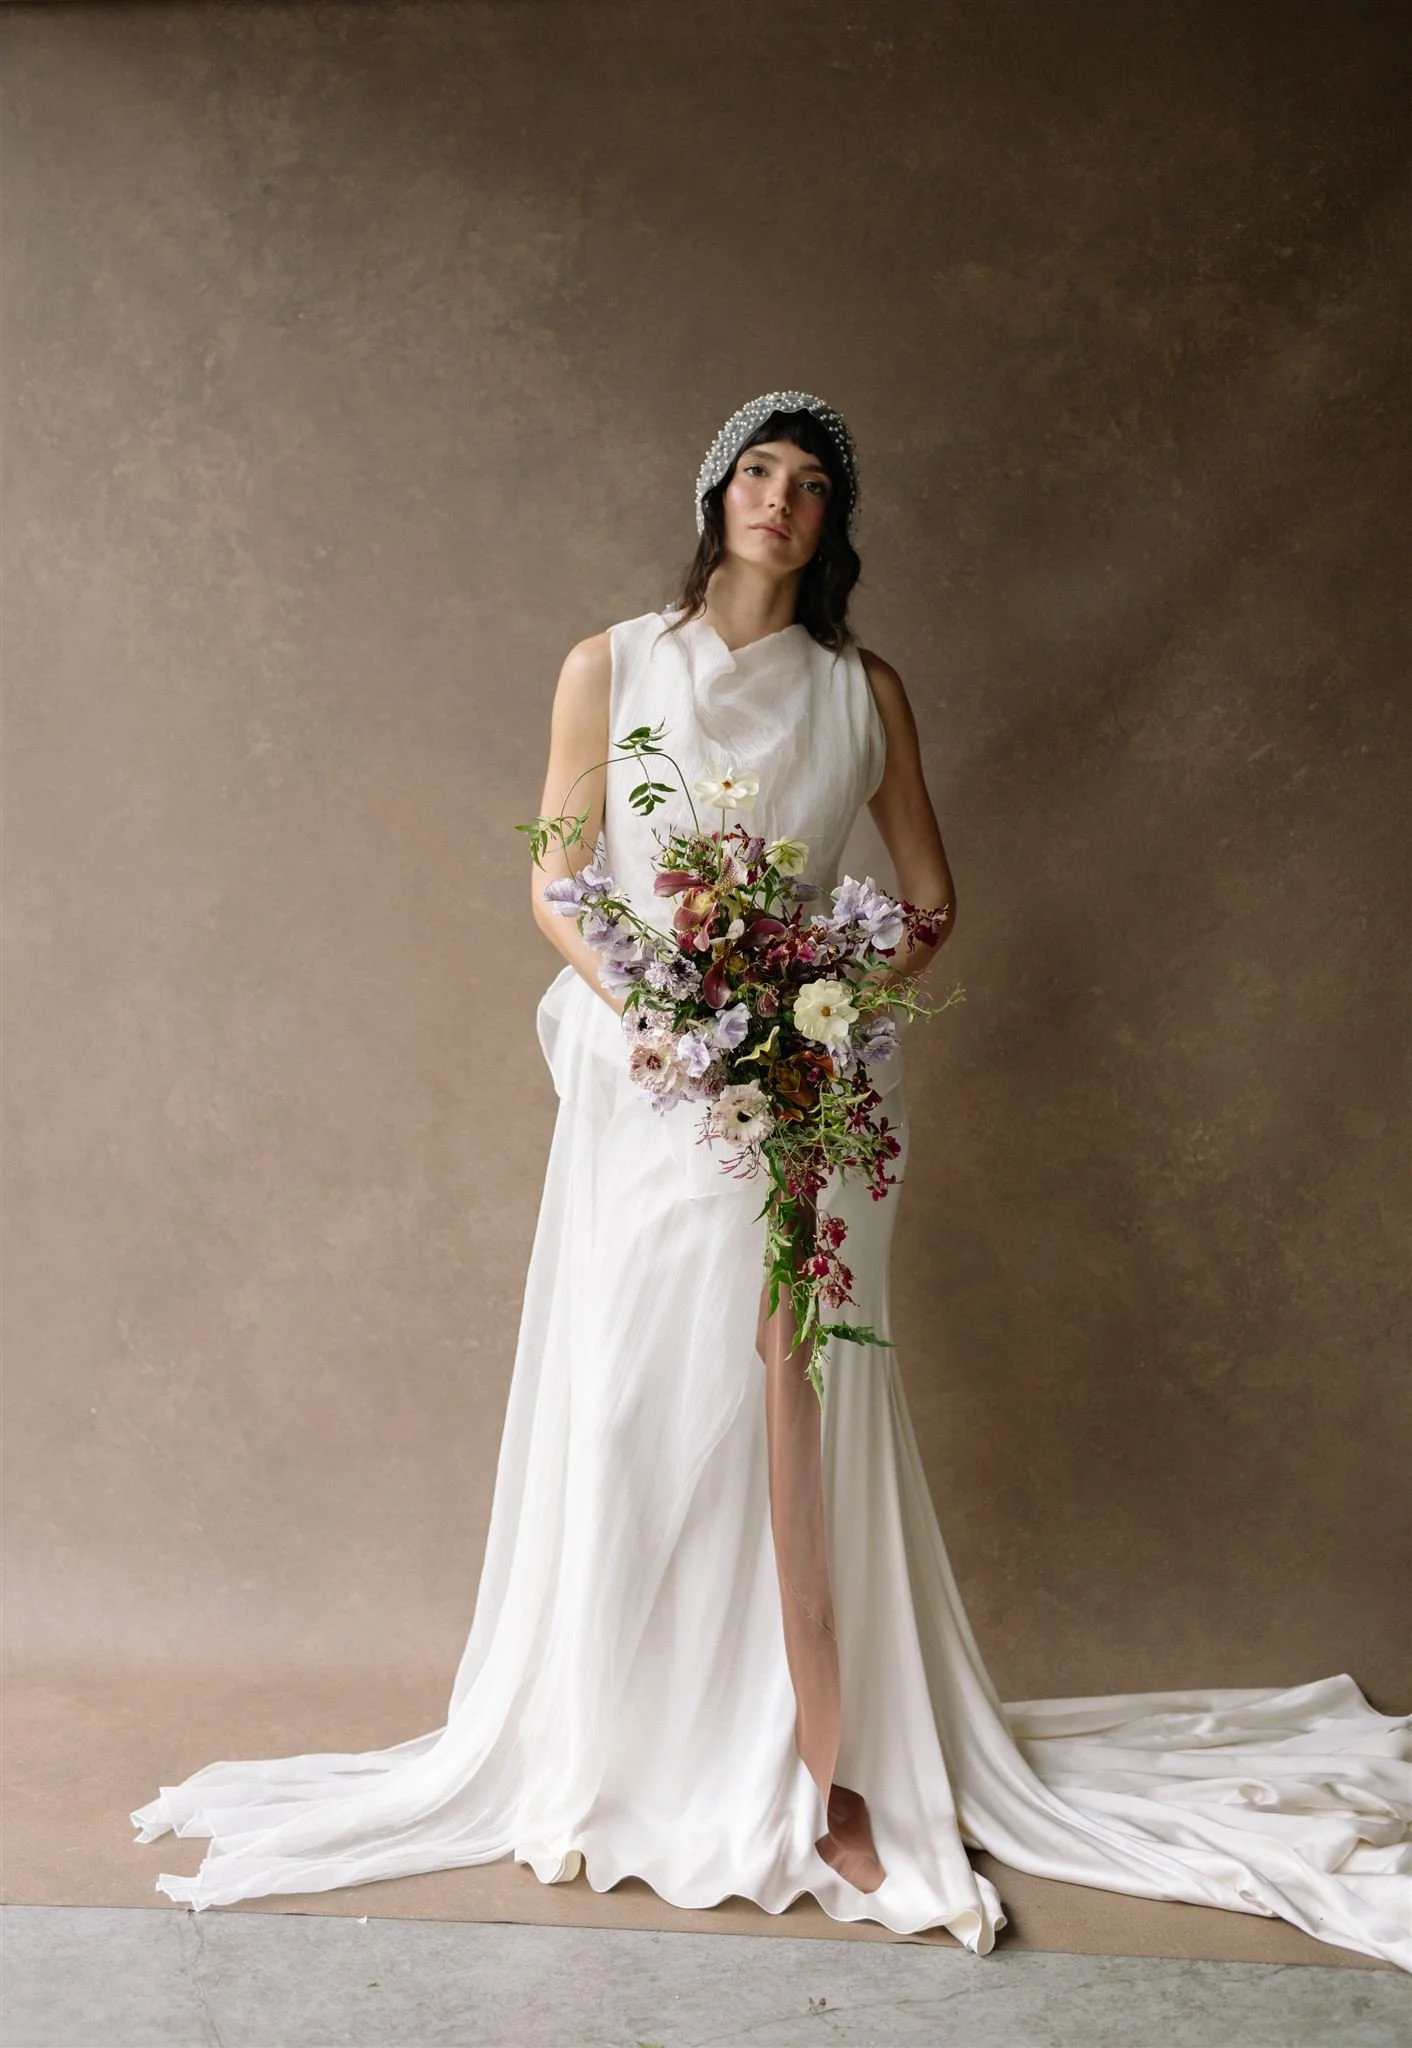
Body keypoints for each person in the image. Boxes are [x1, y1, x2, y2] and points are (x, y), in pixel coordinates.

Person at [133, 391, 1411, 1971]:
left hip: (805, 1094)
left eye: (812, 485)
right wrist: (666, 1008)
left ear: (834, 525)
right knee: (640, 1390)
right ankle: (634, 1738)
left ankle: (797, 1733)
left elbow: (929, 899)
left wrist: (825, 1000)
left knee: (779, 1395)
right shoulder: (609, 661)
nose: (782, 501)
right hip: (648, 1074)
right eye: (760, 472)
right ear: (716, 494)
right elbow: (556, 872)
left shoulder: (863, 691)